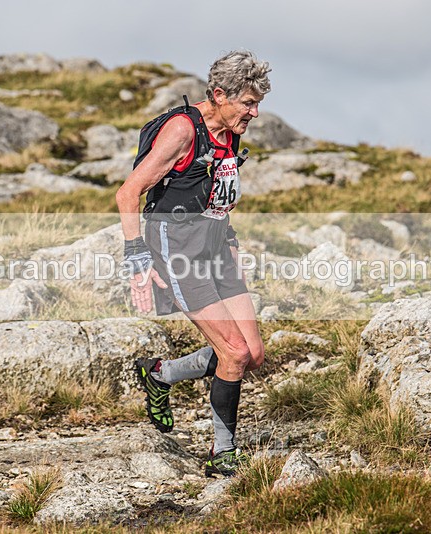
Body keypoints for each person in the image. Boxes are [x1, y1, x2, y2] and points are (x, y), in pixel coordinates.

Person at [115, 50, 271, 477]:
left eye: (258, 104)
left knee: (253, 355)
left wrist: (230, 241)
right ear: (219, 95)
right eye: (248, 103)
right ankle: (223, 453)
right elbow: (128, 193)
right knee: (234, 353)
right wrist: (137, 257)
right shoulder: (183, 131)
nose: (255, 113)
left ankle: (160, 374)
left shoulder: (229, 131)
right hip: (178, 251)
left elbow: (216, 192)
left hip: (215, 246)